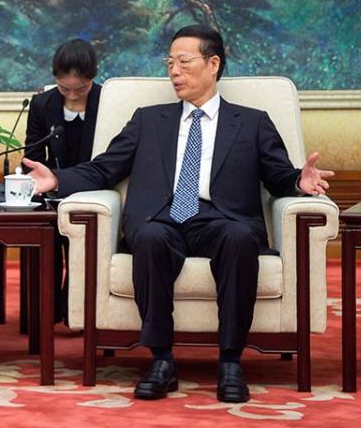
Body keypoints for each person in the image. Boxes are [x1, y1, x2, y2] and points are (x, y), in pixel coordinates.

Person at [23, 24, 333, 403]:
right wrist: (56, 178)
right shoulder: (149, 119)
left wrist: (299, 182)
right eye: (170, 63)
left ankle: (231, 362)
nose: (174, 71)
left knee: (238, 239)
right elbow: (105, 167)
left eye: (184, 62)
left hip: (223, 220)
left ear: (213, 63)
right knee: (150, 240)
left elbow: (279, 175)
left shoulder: (252, 122)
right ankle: (162, 360)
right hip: (161, 217)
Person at [24, 39, 101, 323]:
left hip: (95, 191)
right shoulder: (43, 104)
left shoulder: (106, 101)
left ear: (92, 78)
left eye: (79, 88)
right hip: (51, 193)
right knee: (48, 239)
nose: (71, 95)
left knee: (83, 248)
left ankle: (76, 310)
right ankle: (48, 310)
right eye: (63, 88)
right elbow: (32, 154)